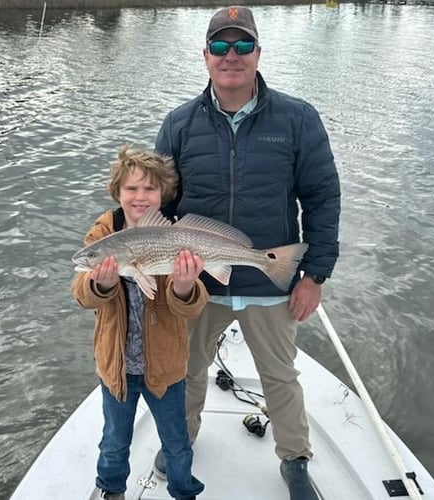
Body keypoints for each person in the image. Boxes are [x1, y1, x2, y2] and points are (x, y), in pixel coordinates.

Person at [154, 6, 341, 500]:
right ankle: (182, 441)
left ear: (258, 52)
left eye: (241, 45)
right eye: (220, 46)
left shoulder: (298, 119)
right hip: (197, 283)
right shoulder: (177, 124)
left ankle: (295, 458)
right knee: (187, 370)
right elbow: (157, 206)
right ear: (206, 56)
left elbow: (322, 198)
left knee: (280, 376)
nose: (230, 56)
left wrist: (314, 275)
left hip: (269, 279)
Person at [71, 145, 207, 500]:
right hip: (116, 367)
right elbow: (81, 295)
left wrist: (184, 285)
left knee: (177, 443)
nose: (141, 197)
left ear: (163, 194)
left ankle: (184, 491)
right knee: (114, 442)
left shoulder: (178, 237)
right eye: (131, 188)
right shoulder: (103, 235)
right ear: (118, 192)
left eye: (150, 189)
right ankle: (111, 490)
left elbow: (192, 308)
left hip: (166, 366)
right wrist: (100, 282)